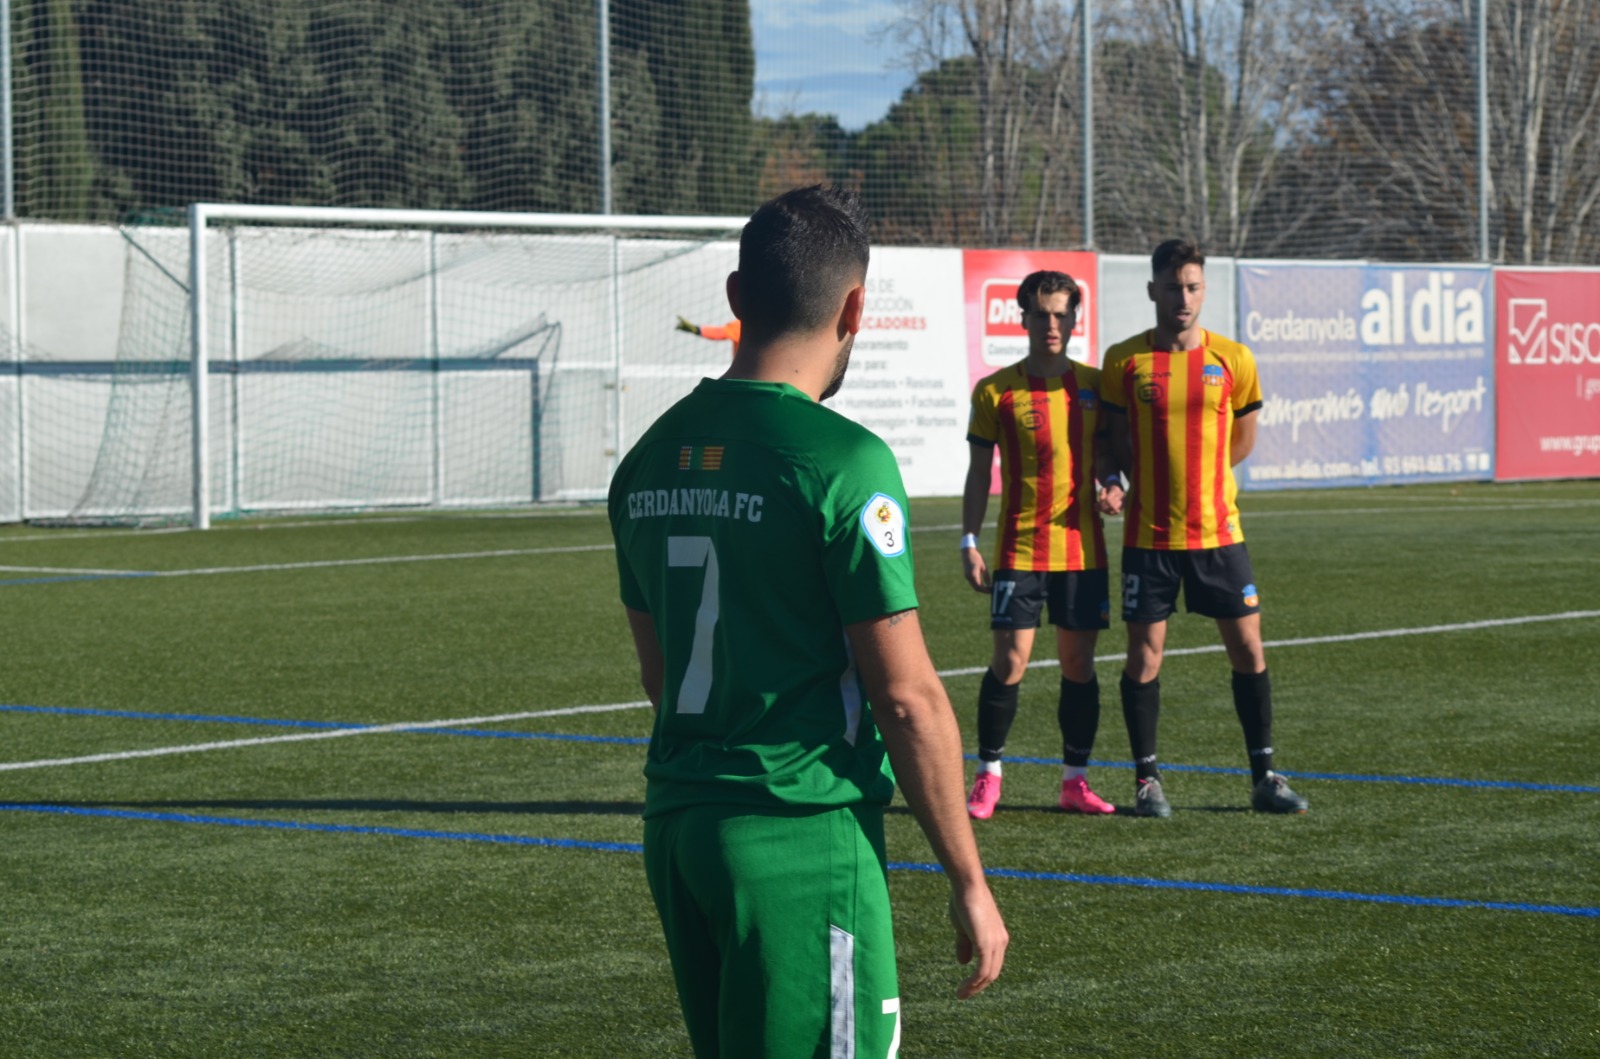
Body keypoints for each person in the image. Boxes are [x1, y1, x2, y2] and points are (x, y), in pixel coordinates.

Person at [610, 184, 1008, 1058]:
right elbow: (905, 698)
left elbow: (658, 673)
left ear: (736, 297)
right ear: (855, 306)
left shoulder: (645, 460)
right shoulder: (842, 461)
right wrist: (969, 879)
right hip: (799, 840)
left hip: (680, 832)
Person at [1098, 238, 1309, 818]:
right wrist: (1115, 481)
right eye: (1172, 287)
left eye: (1192, 287)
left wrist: (1203, 481)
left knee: (1248, 649)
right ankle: (1147, 781)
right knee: (1144, 657)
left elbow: (1241, 441)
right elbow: (1112, 442)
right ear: (1152, 291)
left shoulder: (1233, 360)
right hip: (1149, 539)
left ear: (1203, 289)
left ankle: (1265, 774)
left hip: (1219, 535)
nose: (1183, 298)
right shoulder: (1124, 361)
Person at [960, 270, 1124, 820]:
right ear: (1023, 318)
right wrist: (968, 540)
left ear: (1075, 319)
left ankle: (1074, 781)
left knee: (1079, 666)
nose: (1051, 324)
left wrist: (1112, 486)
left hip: (1083, 552)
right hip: (1018, 550)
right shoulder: (996, 390)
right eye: (1041, 314)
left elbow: (1108, 458)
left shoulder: (1098, 387)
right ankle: (988, 776)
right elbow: (980, 472)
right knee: (1009, 662)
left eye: (1062, 314)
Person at [675, 314, 742, 355]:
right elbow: (720, 333)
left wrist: (697, 330)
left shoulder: (740, 325)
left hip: (743, 373)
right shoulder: (739, 325)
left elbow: (720, 333)